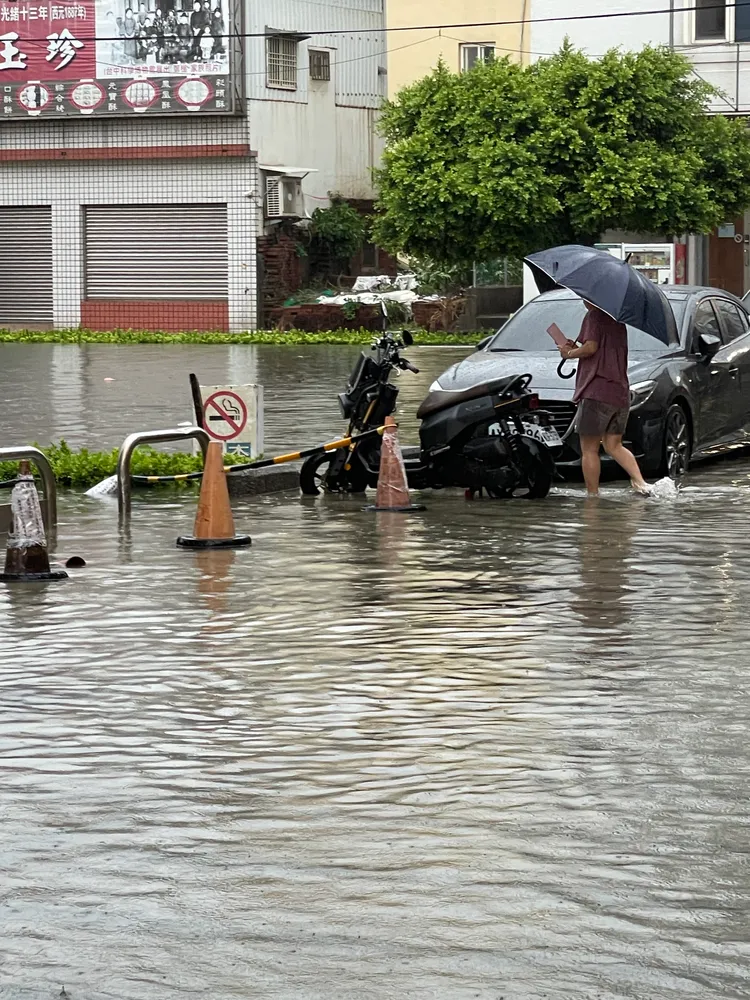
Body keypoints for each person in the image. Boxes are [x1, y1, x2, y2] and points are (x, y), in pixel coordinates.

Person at [559, 300, 651, 498]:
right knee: (613, 445)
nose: (582, 299)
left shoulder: (594, 316)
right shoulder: (618, 321)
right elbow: (600, 348)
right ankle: (642, 483)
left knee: (589, 449)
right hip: (619, 391)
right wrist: (577, 348)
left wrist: (570, 353)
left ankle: (592, 497)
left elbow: (591, 347)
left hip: (596, 391)